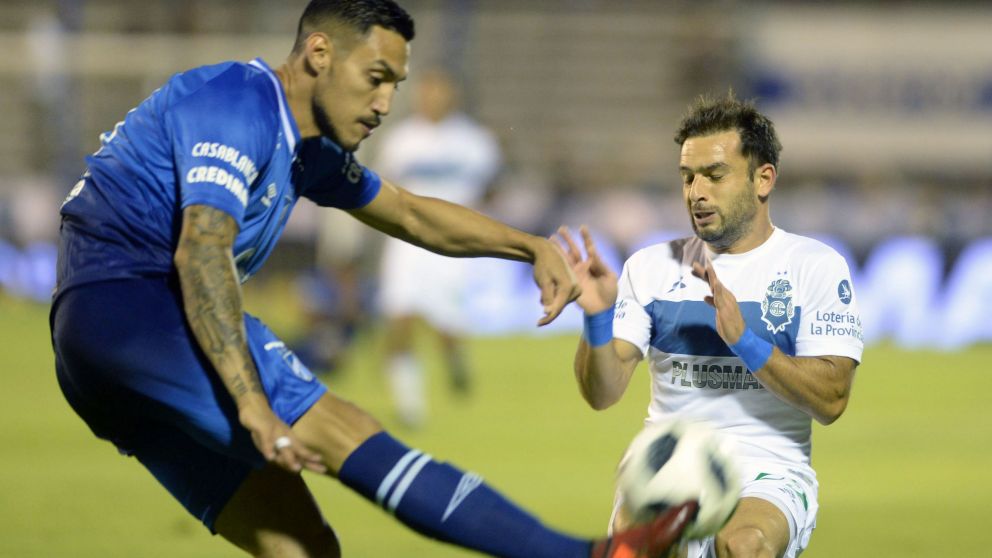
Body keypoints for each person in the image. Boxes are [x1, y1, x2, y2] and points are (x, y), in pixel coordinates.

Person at [49, 1, 694, 557]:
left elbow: (412, 214)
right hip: (130, 308)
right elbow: (201, 254)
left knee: (301, 544)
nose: (386, 104)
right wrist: (252, 400)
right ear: (320, 53)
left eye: (396, 85)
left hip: (98, 349)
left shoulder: (309, 150)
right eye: (376, 78)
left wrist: (528, 246)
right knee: (346, 431)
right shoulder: (236, 102)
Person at [557, 94, 863, 558]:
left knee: (743, 546)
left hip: (768, 470)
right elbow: (602, 394)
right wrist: (597, 318)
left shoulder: (814, 267)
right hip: (665, 462)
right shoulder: (651, 267)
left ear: (763, 179)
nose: (696, 192)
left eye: (714, 176)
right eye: (687, 177)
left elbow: (832, 399)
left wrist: (745, 340)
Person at [374, 66, 502, 427]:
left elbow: (493, 189)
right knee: (399, 320)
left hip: (453, 246)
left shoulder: (474, 142)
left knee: (446, 328)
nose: (432, 99)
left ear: (452, 96)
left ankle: (455, 358)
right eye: (426, 92)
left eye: (439, 92)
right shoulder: (400, 140)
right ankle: (410, 407)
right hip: (406, 244)